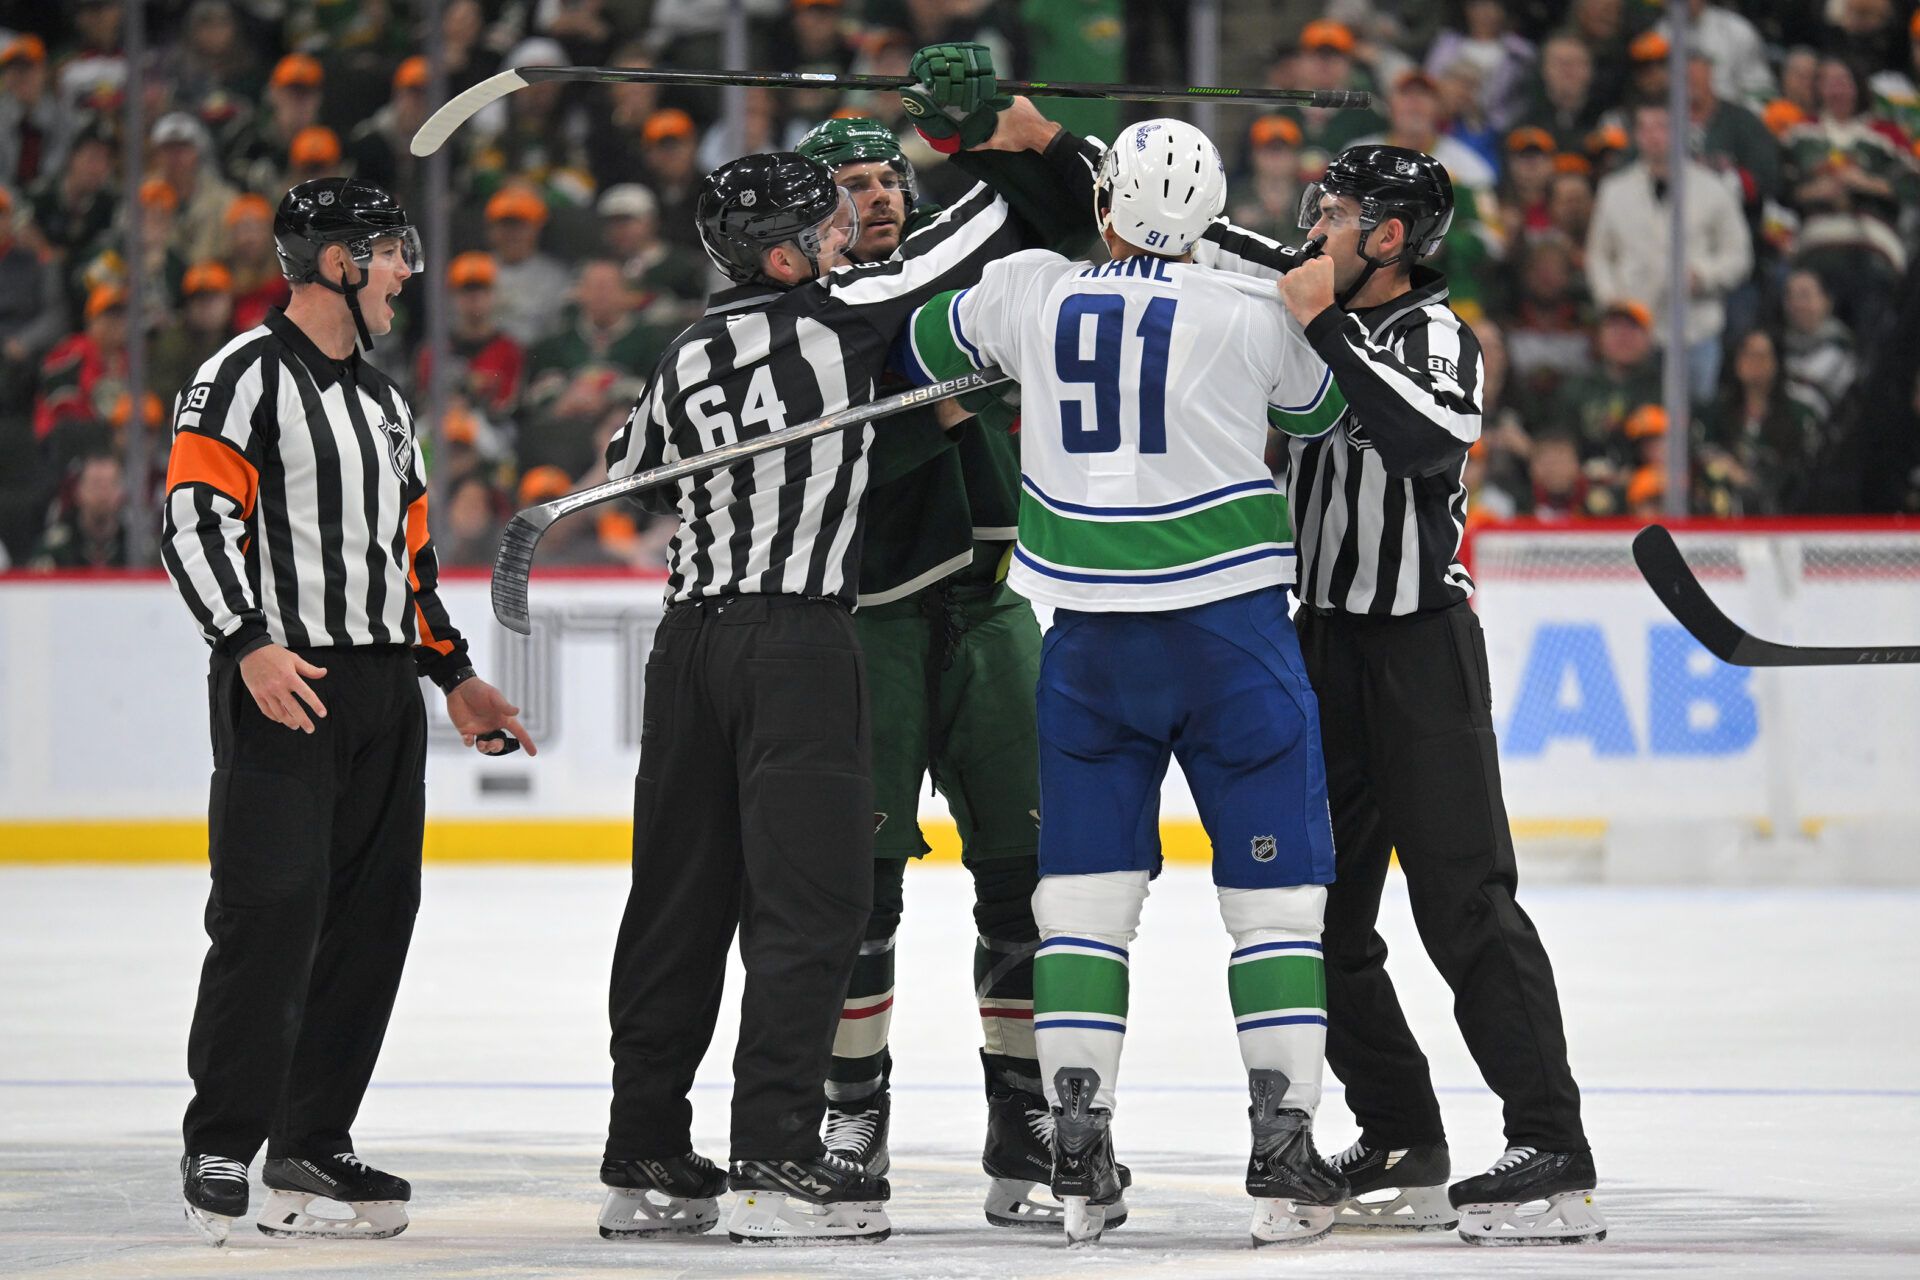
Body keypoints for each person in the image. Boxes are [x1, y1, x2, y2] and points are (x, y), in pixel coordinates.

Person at [594, 45, 1080, 1246]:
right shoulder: (857, 314)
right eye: (822, 217)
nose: (847, 229)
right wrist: (997, 136)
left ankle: (645, 1154)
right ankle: (773, 1152)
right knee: (813, 907)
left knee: (674, 907)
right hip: (803, 638)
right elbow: (1033, 227)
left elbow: (626, 472)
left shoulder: (685, 352)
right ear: (782, 251)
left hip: (688, 639)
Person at [895, 117, 1349, 1247]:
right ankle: (1287, 1154)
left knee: (1083, 909)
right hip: (1231, 638)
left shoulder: (1030, 290)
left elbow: (922, 343)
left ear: (1102, 208)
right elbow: (1324, 412)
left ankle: (1079, 1149)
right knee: (1276, 907)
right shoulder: (1250, 310)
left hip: (1091, 646)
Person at [1192, 144, 1606, 1246]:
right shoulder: (1311, 288)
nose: (1311, 224)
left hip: (1421, 650)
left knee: (1464, 903)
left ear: (1387, 238)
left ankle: (1552, 1142)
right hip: (1320, 648)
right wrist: (1054, 150)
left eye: (1333, 212)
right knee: (1318, 919)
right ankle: (1402, 1134)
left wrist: (1321, 324)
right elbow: (1192, 227)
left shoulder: (1436, 335)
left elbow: (1426, 443)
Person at [161, 177, 535, 1248]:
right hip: (286, 678)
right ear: (337, 261)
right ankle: (224, 1135)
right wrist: (246, 644)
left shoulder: (383, 401)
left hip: (381, 691)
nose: (408, 270)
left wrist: (454, 675)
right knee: (269, 909)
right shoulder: (240, 374)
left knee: (374, 920)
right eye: (393, 251)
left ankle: (311, 1135)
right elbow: (191, 521)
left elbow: (408, 562)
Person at [793, 111, 1096, 1230]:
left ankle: (1019, 1113)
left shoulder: (948, 270)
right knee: (857, 900)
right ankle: (849, 1114)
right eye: (851, 183)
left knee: (1027, 883)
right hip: (866, 621)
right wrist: (954, 398)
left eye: (887, 177)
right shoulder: (806, 313)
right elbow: (837, 448)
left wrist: (995, 132)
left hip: (987, 612)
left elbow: (1082, 219)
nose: (875, 196)